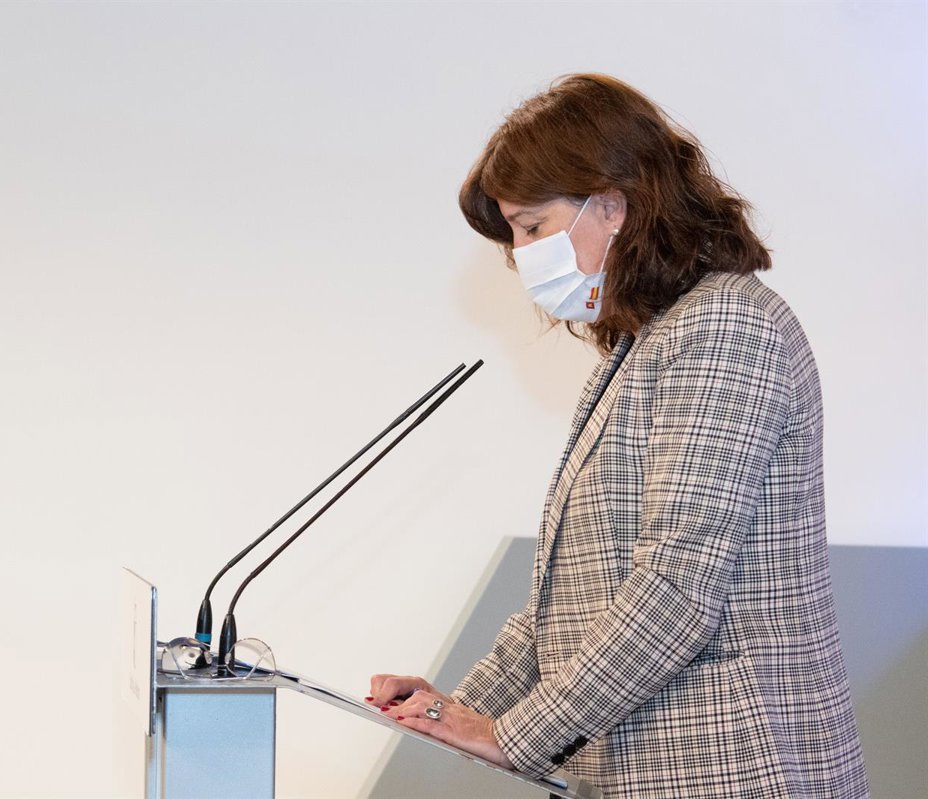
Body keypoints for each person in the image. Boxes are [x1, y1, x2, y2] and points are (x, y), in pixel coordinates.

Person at [367, 74, 869, 798]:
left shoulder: (724, 324)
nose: (521, 254)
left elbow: (675, 588)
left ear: (611, 204)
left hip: (724, 766)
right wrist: (454, 708)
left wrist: (511, 736)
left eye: (531, 226)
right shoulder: (650, 339)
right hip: (647, 766)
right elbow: (575, 598)